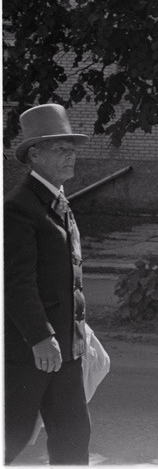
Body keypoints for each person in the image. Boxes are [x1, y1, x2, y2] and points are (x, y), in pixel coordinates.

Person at [4, 103, 92, 464]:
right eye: (60, 148)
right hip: (30, 353)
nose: (70, 154)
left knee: (73, 436)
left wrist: (78, 331)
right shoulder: (19, 208)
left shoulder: (57, 200)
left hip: (64, 351)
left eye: (72, 148)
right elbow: (15, 283)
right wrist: (41, 337)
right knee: (10, 436)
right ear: (34, 154)